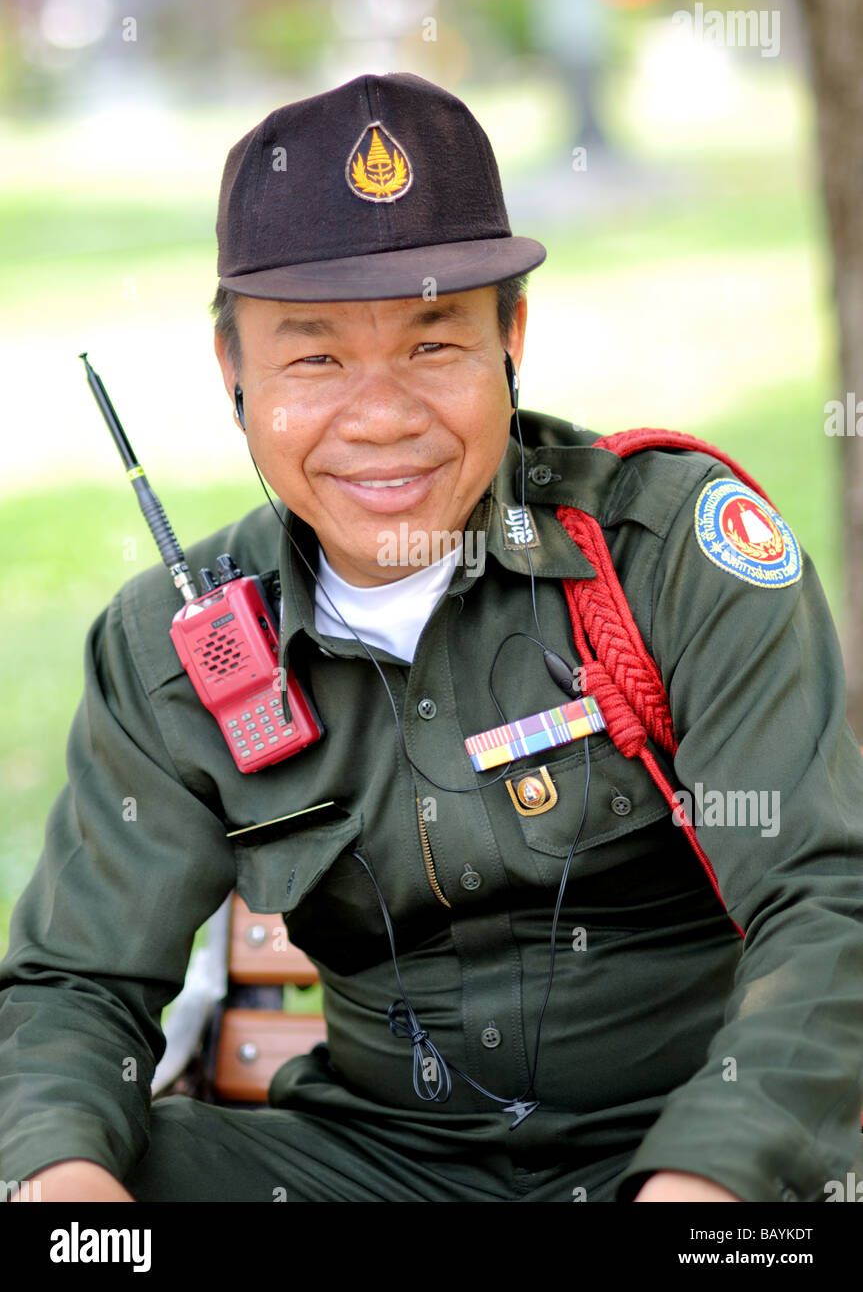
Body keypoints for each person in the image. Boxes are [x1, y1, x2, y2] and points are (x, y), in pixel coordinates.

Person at [2, 71, 863, 1204]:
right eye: (313, 356)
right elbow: (76, 987)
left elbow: (828, 901)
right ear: (234, 376)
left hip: (693, 1145)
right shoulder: (175, 644)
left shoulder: (670, 555)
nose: (381, 416)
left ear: (510, 338)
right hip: (365, 1169)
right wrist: (66, 1200)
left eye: (430, 344)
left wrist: (706, 1181)